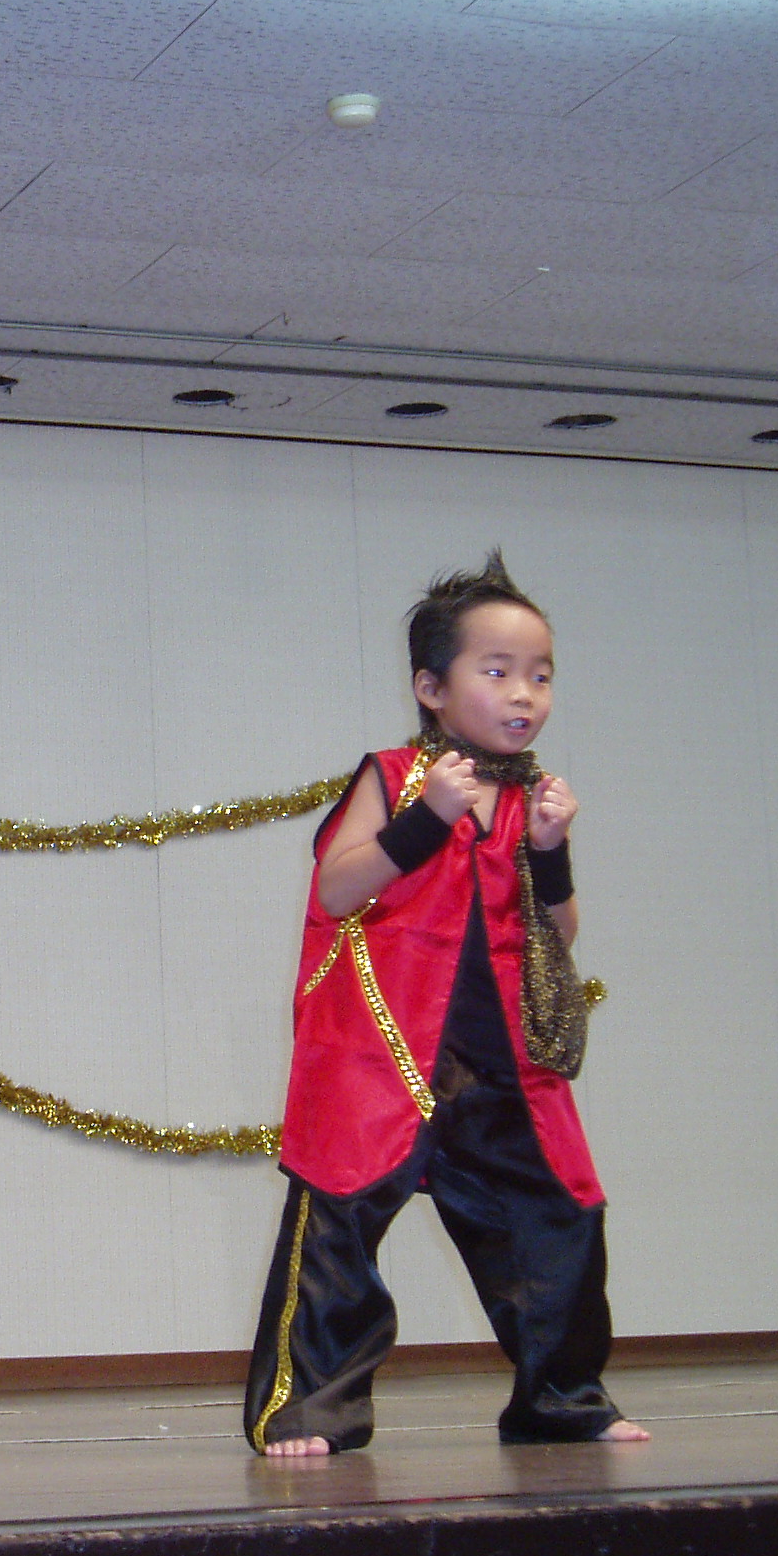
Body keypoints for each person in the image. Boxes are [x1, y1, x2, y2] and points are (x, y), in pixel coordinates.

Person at [245, 553, 648, 1455]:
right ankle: (308, 1411)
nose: (525, 694)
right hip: (382, 1048)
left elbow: (560, 933)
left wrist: (551, 849)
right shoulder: (392, 777)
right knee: (340, 1222)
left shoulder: (532, 798)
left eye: (540, 675)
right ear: (431, 688)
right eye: (497, 672)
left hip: (503, 1057)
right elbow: (339, 888)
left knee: (559, 1213)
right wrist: (425, 816)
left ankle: (562, 1401)